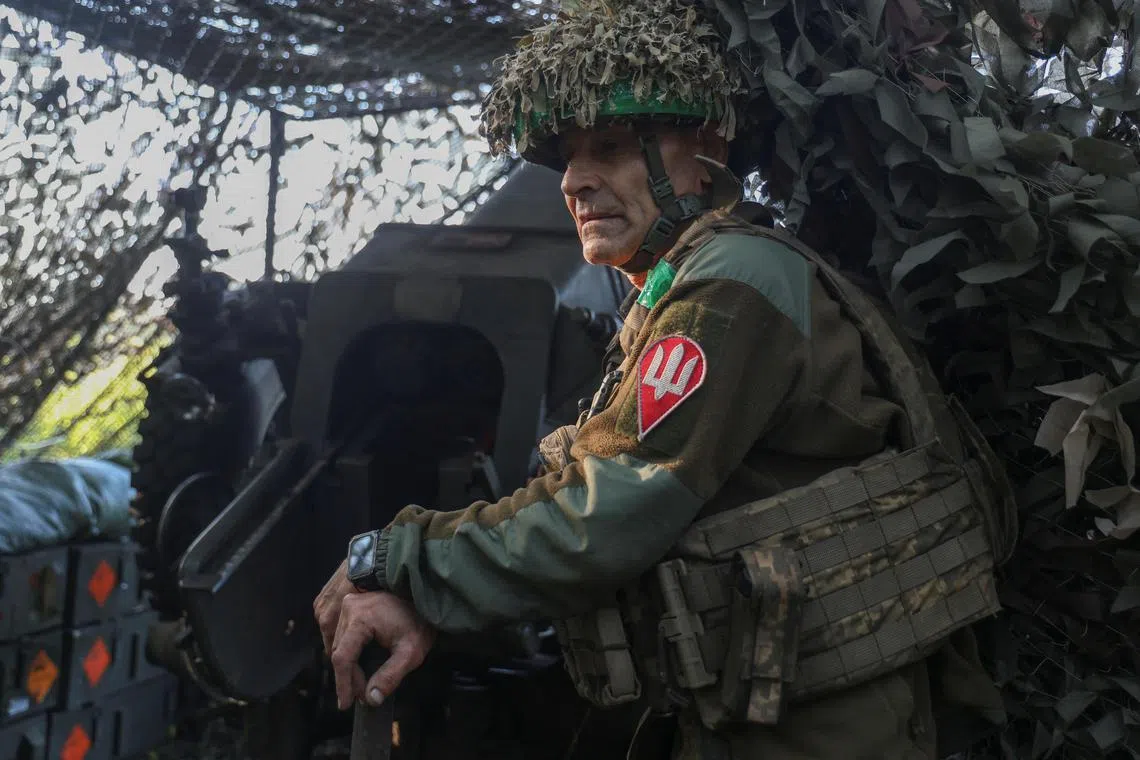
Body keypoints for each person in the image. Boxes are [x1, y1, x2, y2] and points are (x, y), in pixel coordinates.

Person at [313, 1, 1010, 757]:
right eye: (566, 159)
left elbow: (602, 516)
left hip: (818, 724)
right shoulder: (681, 283)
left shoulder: (733, 284)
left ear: (703, 150)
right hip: (762, 700)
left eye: (609, 147)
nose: (575, 182)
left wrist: (395, 560)